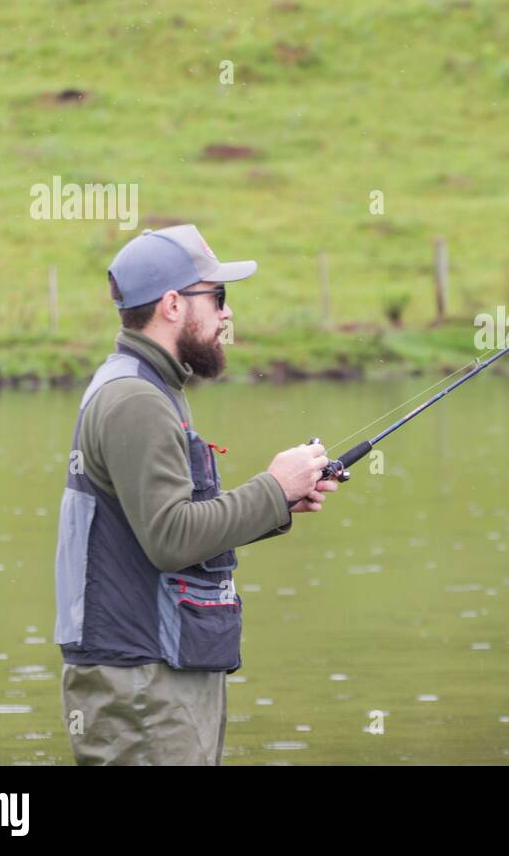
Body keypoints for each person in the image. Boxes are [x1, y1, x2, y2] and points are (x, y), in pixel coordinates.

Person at [52, 224, 335, 765]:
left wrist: (279, 504)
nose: (227, 314)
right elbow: (171, 538)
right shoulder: (136, 399)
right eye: (218, 297)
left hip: (154, 673)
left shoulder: (147, 387)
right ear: (174, 304)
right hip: (142, 680)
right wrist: (272, 488)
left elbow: (168, 521)